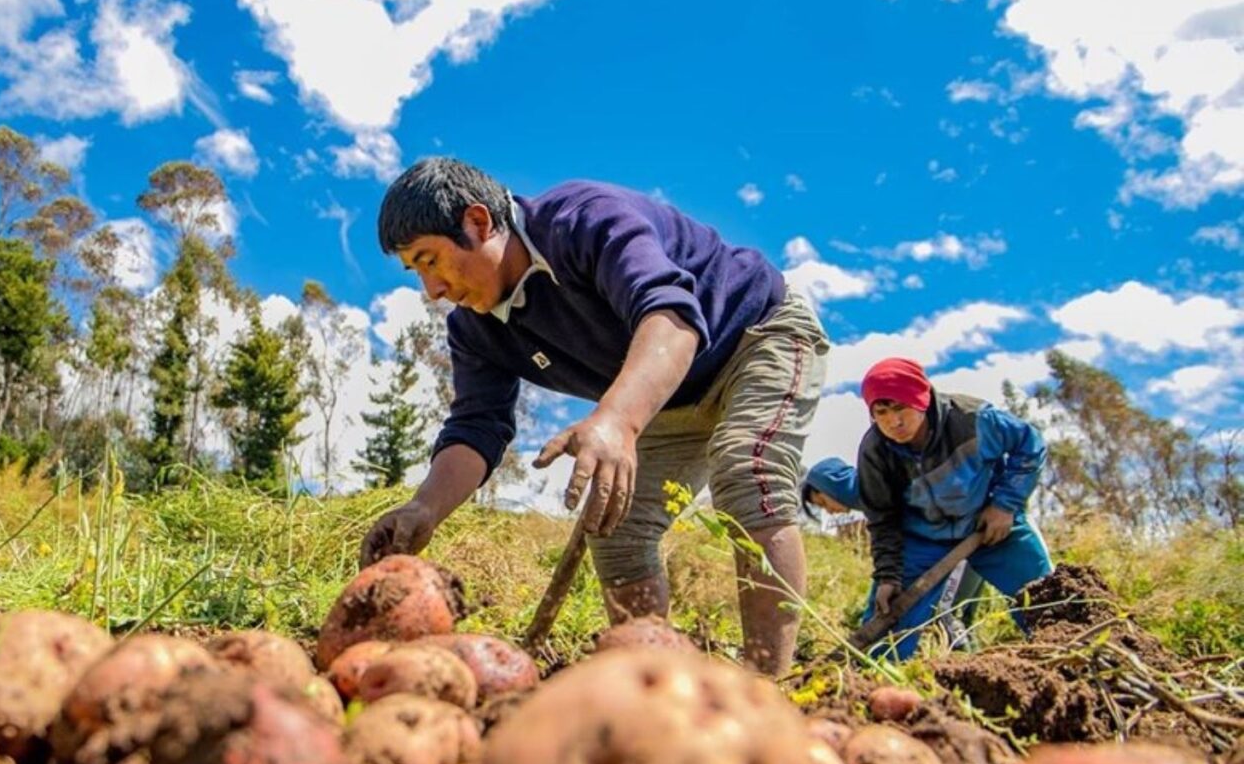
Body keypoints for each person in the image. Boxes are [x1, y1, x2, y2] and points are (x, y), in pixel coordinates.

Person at [358, 157, 830, 675]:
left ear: (478, 222)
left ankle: (767, 685)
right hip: (670, 398)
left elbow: (670, 316)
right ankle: (649, 686)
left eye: (430, 260)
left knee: (747, 470)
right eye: (416, 272)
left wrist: (618, 422)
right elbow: (478, 426)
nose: (433, 290)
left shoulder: (584, 220)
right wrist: (424, 508)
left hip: (754, 337)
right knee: (616, 525)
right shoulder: (475, 330)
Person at [854, 357, 1054, 659]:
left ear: (920, 400)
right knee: (886, 633)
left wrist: (1005, 505)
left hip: (990, 526)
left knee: (1047, 600)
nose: (893, 422)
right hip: (923, 540)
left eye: (900, 408)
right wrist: (888, 575)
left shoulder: (972, 419)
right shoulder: (876, 451)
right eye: (880, 413)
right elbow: (883, 519)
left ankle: (1077, 657)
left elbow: (1030, 444)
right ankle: (867, 690)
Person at [801, 456, 986, 651]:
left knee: (946, 615)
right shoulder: (876, 490)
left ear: (831, 486)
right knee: (957, 616)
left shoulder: (876, 489)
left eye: (822, 502)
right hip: (970, 536)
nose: (829, 512)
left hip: (960, 542)